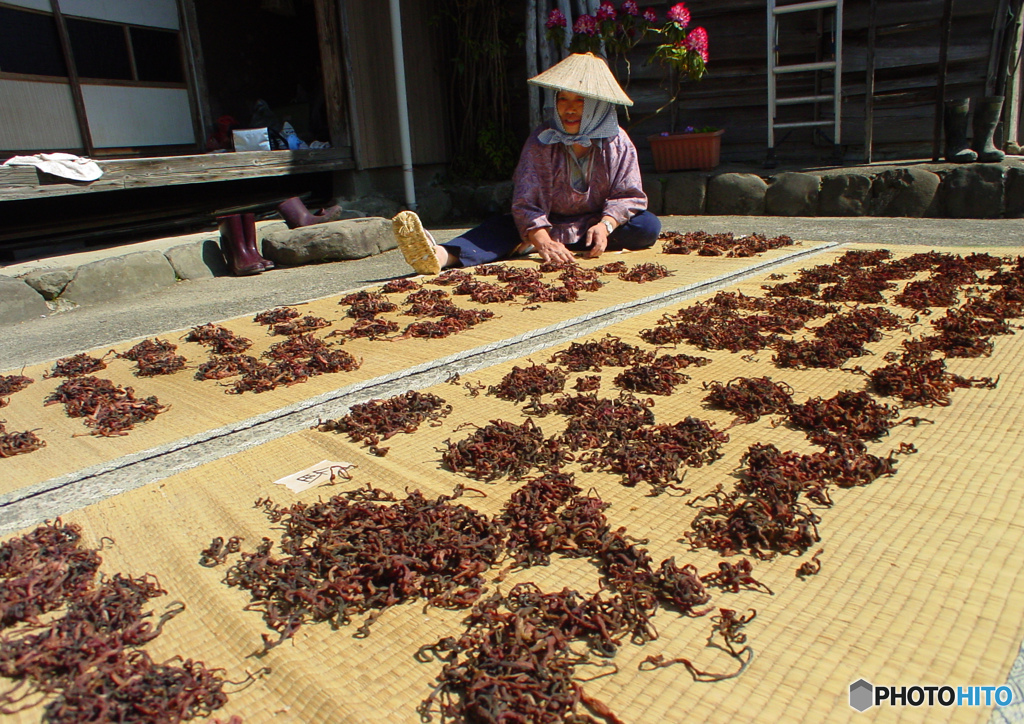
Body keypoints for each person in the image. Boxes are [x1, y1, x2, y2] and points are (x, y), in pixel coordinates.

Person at [393, 52, 661, 274]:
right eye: (563, 99)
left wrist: (605, 226)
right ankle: (440, 255)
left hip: (592, 222)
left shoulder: (617, 142)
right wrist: (542, 237)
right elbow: (526, 201)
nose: (570, 109)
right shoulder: (542, 140)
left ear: (599, 107)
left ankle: (544, 244)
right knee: (504, 227)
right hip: (544, 221)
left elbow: (628, 195)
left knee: (646, 227)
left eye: (581, 101)